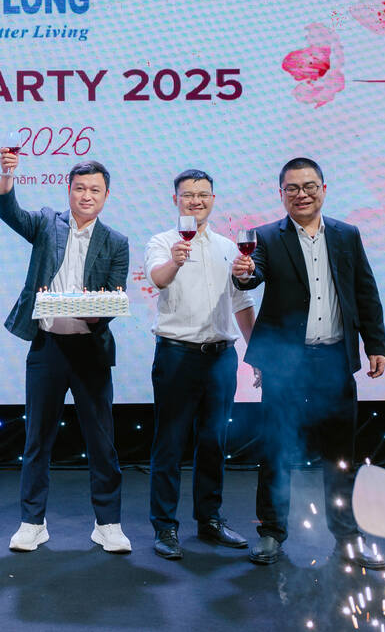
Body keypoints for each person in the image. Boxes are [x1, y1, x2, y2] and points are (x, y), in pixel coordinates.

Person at [231, 157, 385, 569]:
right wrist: (244, 273)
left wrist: (375, 344)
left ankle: (347, 539)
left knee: (340, 457)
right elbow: (252, 275)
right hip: (286, 365)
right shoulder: (267, 237)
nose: (301, 194)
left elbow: (365, 292)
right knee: (277, 451)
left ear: (323, 189)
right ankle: (271, 532)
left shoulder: (347, 234)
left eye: (309, 186)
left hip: (334, 360)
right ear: (281, 194)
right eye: (292, 188)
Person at [0, 151, 132, 554]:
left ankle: (108, 524)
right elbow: (9, 212)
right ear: (68, 190)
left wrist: (94, 310)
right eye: (80, 188)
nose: (87, 195)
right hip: (48, 346)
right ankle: (32, 523)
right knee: (37, 438)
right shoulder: (46, 223)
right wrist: (7, 176)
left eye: (95, 190)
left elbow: (115, 296)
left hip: (90, 349)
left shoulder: (117, 242)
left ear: (106, 196)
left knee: (102, 440)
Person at [144, 169, 254, 561]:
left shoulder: (228, 247)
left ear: (213, 199)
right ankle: (165, 527)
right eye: (188, 195)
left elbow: (241, 302)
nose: (196, 201)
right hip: (176, 355)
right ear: (175, 200)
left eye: (203, 195)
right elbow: (158, 280)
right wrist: (175, 262)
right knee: (170, 443)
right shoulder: (162, 242)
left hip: (221, 357)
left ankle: (209, 520)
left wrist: (258, 353)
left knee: (213, 442)